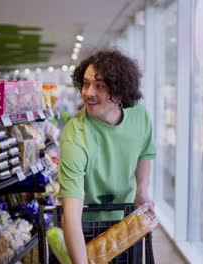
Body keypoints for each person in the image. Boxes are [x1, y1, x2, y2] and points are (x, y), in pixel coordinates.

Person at [57, 49, 157, 263]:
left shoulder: (139, 115)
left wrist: (142, 189)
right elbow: (71, 215)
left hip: (127, 220)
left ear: (119, 93)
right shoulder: (75, 135)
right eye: (85, 83)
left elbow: (145, 151)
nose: (88, 92)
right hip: (86, 229)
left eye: (99, 86)